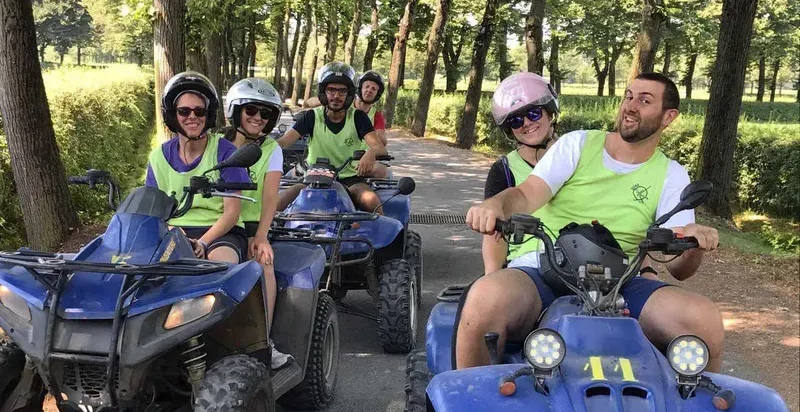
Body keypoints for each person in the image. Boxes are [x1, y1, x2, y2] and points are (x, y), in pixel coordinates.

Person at [459, 72, 724, 372]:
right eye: (628, 96)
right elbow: (525, 195)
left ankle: (701, 400)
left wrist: (693, 243)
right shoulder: (577, 144)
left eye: (645, 100)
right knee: (483, 299)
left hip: (620, 281)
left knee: (705, 319)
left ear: (669, 117)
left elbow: (679, 268)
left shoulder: (672, 175)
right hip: (545, 267)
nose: (631, 106)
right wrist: (496, 204)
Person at [223, 77, 293, 369]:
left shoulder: (271, 151)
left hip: (252, 225)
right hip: (219, 223)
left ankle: (263, 341)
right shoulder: (218, 144)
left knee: (264, 264)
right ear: (236, 111)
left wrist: (262, 237)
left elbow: (269, 198)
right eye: (251, 110)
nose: (257, 118)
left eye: (265, 114)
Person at [145, 71, 249, 265]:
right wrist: (172, 231)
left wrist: (203, 242)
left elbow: (232, 213)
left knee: (220, 267)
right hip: (175, 232)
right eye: (184, 111)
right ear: (172, 115)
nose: (192, 116)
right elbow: (153, 210)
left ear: (208, 115)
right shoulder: (158, 157)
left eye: (199, 111)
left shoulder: (226, 152)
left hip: (221, 232)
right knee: (144, 270)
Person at [277, 62, 388, 212]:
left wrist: (371, 153)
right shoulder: (312, 116)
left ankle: (380, 233)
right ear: (323, 92)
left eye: (342, 91)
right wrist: (261, 146)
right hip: (312, 178)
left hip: (350, 179)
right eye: (331, 90)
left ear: (349, 94)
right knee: (279, 201)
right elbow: (283, 142)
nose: (336, 96)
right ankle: (260, 234)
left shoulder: (358, 117)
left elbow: (380, 148)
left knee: (371, 200)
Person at [482, 72, 560, 274]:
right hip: (527, 265)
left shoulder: (578, 155)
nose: (526, 123)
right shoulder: (504, 170)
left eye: (534, 114)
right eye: (516, 120)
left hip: (581, 259)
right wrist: (491, 279)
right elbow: (494, 233)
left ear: (550, 113)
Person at [354, 70, 390, 179]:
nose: (369, 90)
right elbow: (309, 103)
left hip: (362, 160)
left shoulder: (376, 115)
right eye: (367, 86)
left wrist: (372, 151)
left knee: (382, 170)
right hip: (340, 158)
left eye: (373, 89)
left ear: (377, 94)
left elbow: (382, 141)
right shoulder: (344, 106)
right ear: (360, 88)